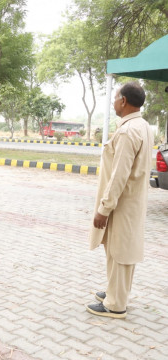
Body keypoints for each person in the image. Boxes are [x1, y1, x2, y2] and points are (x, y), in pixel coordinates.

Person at [87, 82, 153, 319]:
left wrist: (104, 208)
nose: (114, 101)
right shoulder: (143, 125)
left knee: (120, 252)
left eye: (115, 97)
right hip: (132, 200)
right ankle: (115, 292)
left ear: (123, 101)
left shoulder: (127, 131)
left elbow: (119, 175)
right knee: (117, 250)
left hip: (122, 202)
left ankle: (116, 305)